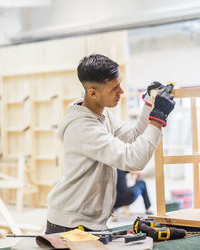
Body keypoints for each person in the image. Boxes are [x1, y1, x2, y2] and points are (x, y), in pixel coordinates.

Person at [46, 54, 175, 234]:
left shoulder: (102, 115)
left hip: (89, 222)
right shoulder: (83, 128)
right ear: (92, 93)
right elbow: (134, 159)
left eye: (119, 84)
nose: (121, 91)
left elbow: (133, 136)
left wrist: (148, 104)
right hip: (70, 225)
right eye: (114, 88)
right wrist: (157, 118)